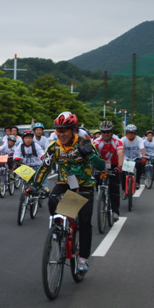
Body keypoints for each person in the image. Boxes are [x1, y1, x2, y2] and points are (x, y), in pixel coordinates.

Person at [27, 111, 105, 273]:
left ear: (74, 130)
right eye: (58, 131)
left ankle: (83, 258)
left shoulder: (84, 143)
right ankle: (58, 230)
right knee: (52, 200)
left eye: (65, 131)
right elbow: (44, 168)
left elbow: (101, 165)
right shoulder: (54, 147)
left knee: (84, 221)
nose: (61, 134)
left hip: (84, 185)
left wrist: (89, 153)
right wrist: (35, 186)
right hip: (65, 183)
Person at [92, 121, 124, 222]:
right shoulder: (97, 142)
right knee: (96, 178)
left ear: (112, 132)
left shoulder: (117, 141)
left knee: (114, 189)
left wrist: (119, 166)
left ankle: (115, 211)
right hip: (101, 165)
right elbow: (91, 154)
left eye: (108, 132)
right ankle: (100, 191)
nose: (105, 134)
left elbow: (120, 153)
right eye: (103, 132)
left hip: (114, 165)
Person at [121, 124, 146, 197]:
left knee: (141, 164)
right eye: (129, 133)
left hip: (136, 158)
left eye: (133, 133)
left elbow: (142, 148)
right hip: (126, 159)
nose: (131, 135)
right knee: (122, 173)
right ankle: (123, 189)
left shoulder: (139, 139)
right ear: (127, 133)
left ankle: (137, 181)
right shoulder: (123, 140)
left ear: (135, 133)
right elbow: (120, 150)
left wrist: (144, 156)